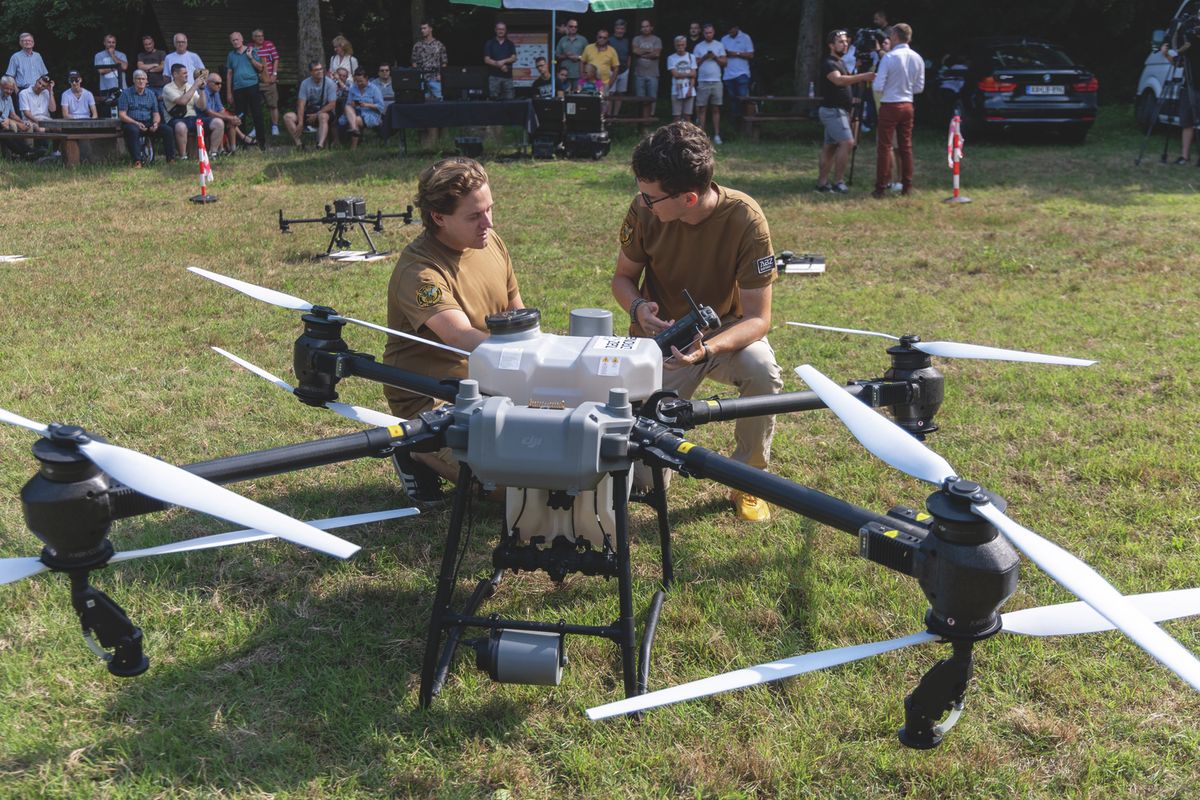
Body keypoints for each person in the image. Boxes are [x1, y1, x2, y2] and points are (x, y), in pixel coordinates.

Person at [612, 122, 782, 521]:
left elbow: (758, 319)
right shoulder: (643, 210)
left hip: (723, 333)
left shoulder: (746, 220)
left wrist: (709, 348)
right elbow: (622, 278)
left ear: (688, 198)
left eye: (651, 197)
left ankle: (749, 479)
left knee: (762, 370)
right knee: (643, 485)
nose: (643, 202)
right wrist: (638, 308)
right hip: (660, 341)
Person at [383, 157, 525, 501]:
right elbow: (459, 337)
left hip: (491, 387)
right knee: (514, 489)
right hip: (432, 405)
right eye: (474, 216)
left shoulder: (491, 242)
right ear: (439, 218)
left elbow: (517, 313)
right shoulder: (421, 271)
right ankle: (415, 449)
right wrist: (523, 361)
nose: (488, 223)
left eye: (490, 209)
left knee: (559, 461)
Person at [815, 30, 875, 193]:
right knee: (847, 142)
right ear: (831, 45)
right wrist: (864, 76)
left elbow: (847, 83)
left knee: (830, 147)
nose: (845, 44)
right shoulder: (829, 63)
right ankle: (839, 182)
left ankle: (822, 184)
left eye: (846, 41)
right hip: (832, 111)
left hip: (838, 110)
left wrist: (852, 98)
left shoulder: (840, 62)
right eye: (840, 42)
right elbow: (839, 80)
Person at [872, 23, 924, 197]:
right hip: (908, 104)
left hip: (890, 104)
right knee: (906, 147)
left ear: (894, 36)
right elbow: (919, 88)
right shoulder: (917, 57)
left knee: (884, 147)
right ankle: (907, 185)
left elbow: (878, 86)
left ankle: (880, 187)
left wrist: (888, 87)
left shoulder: (889, 58)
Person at [1160, 15, 1200, 165]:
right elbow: (1178, 62)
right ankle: (1184, 157)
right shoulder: (1189, 42)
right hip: (1189, 85)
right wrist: (1165, 54)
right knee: (1187, 122)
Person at [163, 63, 222, 159]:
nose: (187, 75)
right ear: (175, 74)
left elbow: (202, 106)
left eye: (187, 73)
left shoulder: (189, 86)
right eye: (184, 73)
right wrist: (195, 86)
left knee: (218, 122)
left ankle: (213, 154)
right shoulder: (167, 88)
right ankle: (183, 156)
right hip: (176, 119)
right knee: (181, 126)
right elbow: (182, 101)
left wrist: (202, 89)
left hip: (192, 118)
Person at [117, 69, 173, 165]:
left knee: (167, 130)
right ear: (134, 80)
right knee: (132, 130)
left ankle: (171, 159)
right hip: (131, 123)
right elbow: (122, 115)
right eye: (138, 79)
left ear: (147, 81)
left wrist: (155, 124)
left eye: (143, 79)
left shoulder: (151, 94)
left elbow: (156, 113)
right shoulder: (125, 94)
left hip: (148, 122)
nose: (141, 81)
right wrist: (136, 123)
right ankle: (137, 161)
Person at [225, 31, 266, 150]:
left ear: (242, 39)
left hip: (252, 85)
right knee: (240, 116)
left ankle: (261, 142)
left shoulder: (251, 50)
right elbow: (229, 74)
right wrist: (229, 92)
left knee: (257, 114)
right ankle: (243, 143)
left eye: (237, 39)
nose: (235, 42)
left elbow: (261, 68)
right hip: (238, 88)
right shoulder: (231, 55)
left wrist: (250, 57)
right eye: (233, 40)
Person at [284, 61, 337, 149]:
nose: (319, 71)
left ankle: (320, 146)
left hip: (324, 111)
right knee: (287, 117)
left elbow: (332, 104)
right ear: (311, 72)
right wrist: (300, 122)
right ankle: (299, 144)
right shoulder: (305, 83)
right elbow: (301, 104)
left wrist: (317, 114)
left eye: (321, 69)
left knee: (323, 116)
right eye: (316, 70)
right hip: (309, 111)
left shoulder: (330, 83)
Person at [692, 23, 726, 144]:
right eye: (706, 33)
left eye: (710, 32)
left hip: (716, 81)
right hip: (703, 81)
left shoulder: (719, 45)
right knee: (702, 109)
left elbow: (724, 63)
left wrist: (715, 57)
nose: (708, 35)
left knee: (716, 108)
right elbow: (695, 65)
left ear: (714, 32)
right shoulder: (698, 47)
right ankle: (701, 137)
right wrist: (705, 57)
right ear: (703, 33)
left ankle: (717, 135)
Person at [203, 72, 250, 153]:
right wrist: (229, 117)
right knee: (224, 120)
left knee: (231, 121)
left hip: (214, 118)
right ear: (208, 83)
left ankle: (233, 149)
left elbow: (221, 109)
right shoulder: (204, 92)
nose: (220, 86)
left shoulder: (216, 91)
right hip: (203, 119)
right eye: (217, 83)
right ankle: (242, 137)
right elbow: (209, 113)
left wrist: (232, 118)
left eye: (221, 83)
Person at [341, 67, 384, 149]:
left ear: (366, 78)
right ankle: (354, 130)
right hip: (355, 112)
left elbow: (380, 107)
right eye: (356, 81)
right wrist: (353, 104)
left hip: (370, 114)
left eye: (361, 81)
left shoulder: (374, 89)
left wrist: (367, 105)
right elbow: (349, 103)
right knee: (347, 106)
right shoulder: (353, 88)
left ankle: (353, 147)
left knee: (356, 120)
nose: (359, 83)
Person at [720, 24, 754, 127]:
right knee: (733, 100)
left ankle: (746, 123)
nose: (730, 31)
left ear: (736, 28)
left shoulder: (745, 37)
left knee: (743, 99)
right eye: (728, 30)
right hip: (728, 74)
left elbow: (751, 55)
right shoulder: (724, 39)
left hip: (742, 74)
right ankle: (735, 126)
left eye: (731, 29)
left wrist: (736, 53)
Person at [0, 75, 38, 159]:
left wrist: (22, 122)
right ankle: (21, 154)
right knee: (11, 127)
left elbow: (13, 114)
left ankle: (28, 152)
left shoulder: (9, 97)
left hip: (6, 124)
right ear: (1, 86)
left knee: (28, 125)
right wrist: (9, 121)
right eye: (7, 89)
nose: (9, 92)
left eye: (11, 89)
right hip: (3, 124)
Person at [251, 29, 280, 136]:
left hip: (269, 79)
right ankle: (256, 127)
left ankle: (275, 126)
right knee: (256, 105)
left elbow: (276, 59)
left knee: (273, 104)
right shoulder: (250, 47)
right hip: (255, 80)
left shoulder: (269, 45)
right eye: (258, 36)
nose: (261, 38)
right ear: (253, 38)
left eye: (262, 36)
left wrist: (275, 74)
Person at [631, 19, 662, 114]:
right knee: (640, 98)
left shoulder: (657, 40)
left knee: (652, 97)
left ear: (651, 28)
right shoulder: (636, 39)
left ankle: (650, 117)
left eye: (647, 26)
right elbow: (635, 51)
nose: (645, 28)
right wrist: (649, 51)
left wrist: (642, 53)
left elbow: (656, 54)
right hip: (639, 74)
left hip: (653, 74)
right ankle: (640, 118)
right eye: (643, 27)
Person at [412, 20, 447, 101]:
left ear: (430, 29)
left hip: (436, 78)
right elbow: (414, 63)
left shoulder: (439, 45)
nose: (422, 31)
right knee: (422, 102)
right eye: (421, 29)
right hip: (422, 80)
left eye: (424, 28)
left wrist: (441, 75)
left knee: (439, 101)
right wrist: (417, 77)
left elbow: (444, 62)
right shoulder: (417, 45)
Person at [666, 36, 697, 123]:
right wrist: (688, 73)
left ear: (685, 45)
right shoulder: (671, 58)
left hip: (689, 89)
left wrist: (690, 90)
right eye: (678, 45)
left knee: (687, 117)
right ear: (675, 46)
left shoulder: (691, 57)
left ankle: (687, 136)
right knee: (677, 117)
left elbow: (694, 74)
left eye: (682, 45)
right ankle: (676, 136)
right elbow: (675, 74)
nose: (680, 47)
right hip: (676, 89)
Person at [484, 21, 517, 100]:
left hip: (507, 77)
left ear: (505, 31)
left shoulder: (510, 44)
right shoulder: (490, 43)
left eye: (503, 29)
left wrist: (503, 61)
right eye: (499, 29)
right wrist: (499, 65)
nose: (501, 31)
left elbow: (514, 58)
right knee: (494, 101)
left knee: (510, 100)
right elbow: (486, 60)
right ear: (495, 30)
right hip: (494, 77)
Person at [582, 28, 620, 96]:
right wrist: (582, 76)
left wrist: (610, 84)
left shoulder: (612, 50)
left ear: (607, 39)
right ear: (596, 37)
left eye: (604, 38)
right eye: (600, 37)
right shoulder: (588, 48)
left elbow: (616, 69)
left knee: (604, 105)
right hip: (589, 84)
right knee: (589, 104)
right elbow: (582, 62)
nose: (602, 39)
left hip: (604, 84)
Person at [555, 19, 586, 91]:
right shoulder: (562, 40)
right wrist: (565, 55)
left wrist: (578, 57)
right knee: (564, 95)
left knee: (577, 96)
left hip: (578, 74)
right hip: (564, 75)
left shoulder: (583, 40)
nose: (573, 28)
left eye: (575, 27)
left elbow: (588, 57)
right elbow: (557, 56)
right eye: (571, 26)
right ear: (567, 27)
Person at [94, 33, 128, 99]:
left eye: (113, 42)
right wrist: (116, 67)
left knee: (122, 108)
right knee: (106, 109)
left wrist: (112, 55)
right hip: (105, 88)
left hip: (121, 87)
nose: (111, 44)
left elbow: (124, 67)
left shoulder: (122, 55)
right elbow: (101, 71)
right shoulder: (99, 55)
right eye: (109, 42)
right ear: (104, 43)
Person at [610, 19, 631, 104]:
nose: (620, 31)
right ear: (615, 29)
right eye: (618, 28)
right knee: (610, 93)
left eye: (622, 29)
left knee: (620, 94)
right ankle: (609, 115)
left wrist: (628, 68)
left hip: (624, 71)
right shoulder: (609, 40)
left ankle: (616, 116)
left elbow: (629, 55)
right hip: (611, 70)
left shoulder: (627, 41)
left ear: (625, 30)